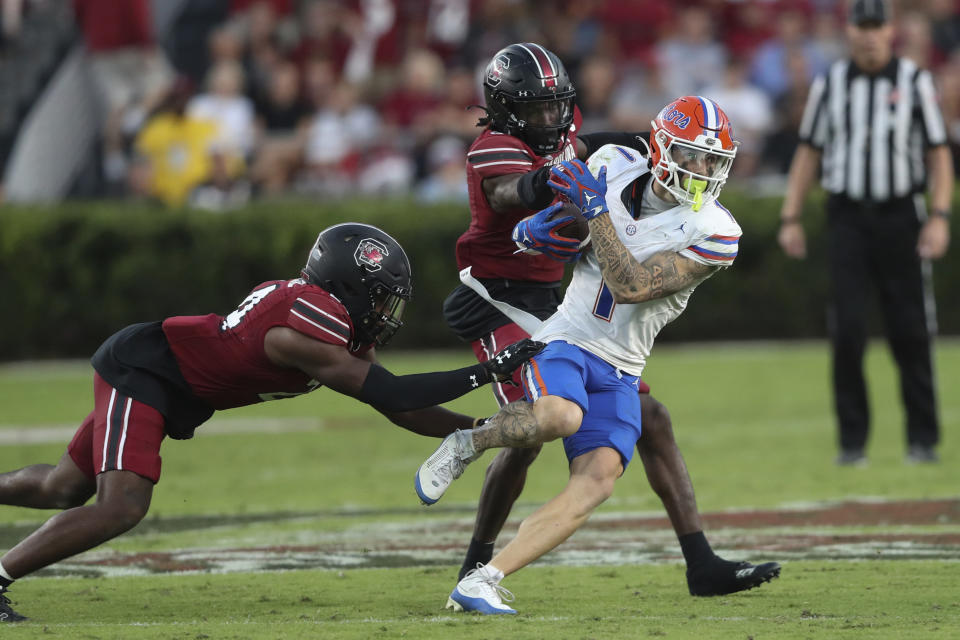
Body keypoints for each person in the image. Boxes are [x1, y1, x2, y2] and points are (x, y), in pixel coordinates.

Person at [0, 223, 541, 622]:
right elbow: (393, 390)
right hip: (146, 371)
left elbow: (397, 406)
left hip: (172, 388)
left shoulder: (331, 321)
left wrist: (476, 427)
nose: (386, 312)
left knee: (60, 487)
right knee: (120, 505)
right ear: (347, 286)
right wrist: (484, 372)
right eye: (379, 298)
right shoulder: (302, 322)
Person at [440, 42, 778, 601]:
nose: (549, 119)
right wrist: (549, 207)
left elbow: (605, 190)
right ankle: (474, 560)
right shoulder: (496, 146)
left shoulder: (600, 157)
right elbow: (515, 193)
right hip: (502, 294)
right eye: (536, 109)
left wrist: (605, 186)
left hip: (570, 309)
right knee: (537, 427)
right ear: (505, 108)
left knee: (649, 418)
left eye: (557, 107)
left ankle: (700, 561)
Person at [777, 0, 954, 466]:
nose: (870, 36)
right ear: (850, 31)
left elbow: (938, 154)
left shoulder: (915, 81)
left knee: (911, 330)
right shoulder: (830, 83)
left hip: (901, 216)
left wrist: (939, 216)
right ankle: (852, 445)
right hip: (848, 218)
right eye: (863, 27)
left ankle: (922, 439)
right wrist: (790, 216)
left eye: (878, 27)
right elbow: (809, 152)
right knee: (849, 332)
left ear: (891, 30)